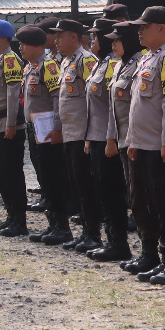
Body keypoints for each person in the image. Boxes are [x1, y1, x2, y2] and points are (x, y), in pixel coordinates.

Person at [123, 6, 165, 282]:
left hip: (162, 148)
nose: (139, 31)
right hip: (143, 144)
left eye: (144, 26)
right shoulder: (147, 58)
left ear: (161, 28)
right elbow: (138, 106)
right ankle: (150, 253)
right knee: (143, 202)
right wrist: (133, 141)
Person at [52, 18, 102, 253]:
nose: (56, 40)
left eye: (60, 36)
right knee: (76, 185)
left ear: (74, 37)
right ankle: (84, 232)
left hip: (83, 134)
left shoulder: (87, 60)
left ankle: (93, 234)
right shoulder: (65, 62)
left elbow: (94, 100)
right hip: (70, 133)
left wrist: (90, 134)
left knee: (86, 185)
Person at [18, 25, 70, 245]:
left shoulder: (48, 66)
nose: (20, 48)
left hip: (48, 129)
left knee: (53, 177)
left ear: (36, 46)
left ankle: (62, 226)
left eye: (23, 44)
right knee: (43, 178)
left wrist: (57, 127)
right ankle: (52, 224)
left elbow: (57, 97)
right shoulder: (30, 67)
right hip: (34, 128)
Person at [84, 20, 131, 262]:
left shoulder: (114, 65)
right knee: (102, 191)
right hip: (97, 137)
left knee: (113, 193)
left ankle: (118, 242)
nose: (92, 41)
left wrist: (109, 138)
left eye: (95, 37)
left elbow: (114, 108)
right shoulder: (101, 64)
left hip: (109, 140)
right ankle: (111, 239)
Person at [103, 20, 144, 266]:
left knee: (142, 198)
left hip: (137, 142)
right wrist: (111, 138)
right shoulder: (121, 66)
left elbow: (143, 109)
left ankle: (151, 252)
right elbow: (113, 109)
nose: (113, 44)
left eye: (117, 40)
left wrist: (133, 140)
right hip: (123, 141)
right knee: (133, 196)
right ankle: (142, 251)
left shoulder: (141, 63)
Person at [0, 20, 27, 235]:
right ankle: (10, 217)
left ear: (2, 38)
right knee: (1, 172)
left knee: (12, 173)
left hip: (7, 124)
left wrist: (11, 124)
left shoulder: (10, 60)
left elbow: (13, 94)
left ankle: (19, 221)